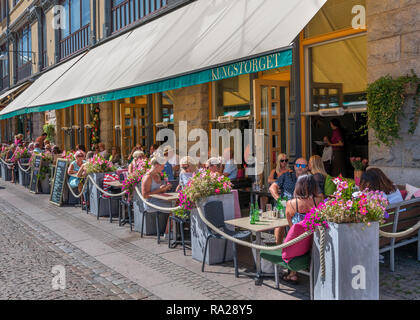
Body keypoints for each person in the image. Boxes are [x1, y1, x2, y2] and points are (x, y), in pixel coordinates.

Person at [279, 174, 321, 283]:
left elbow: (292, 227)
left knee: (291, 237)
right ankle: (294, 272)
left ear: (298, 186)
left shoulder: (291, 204)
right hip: (314, 242)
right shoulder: (319, 200)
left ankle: (292, 273)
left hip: (298, 246)